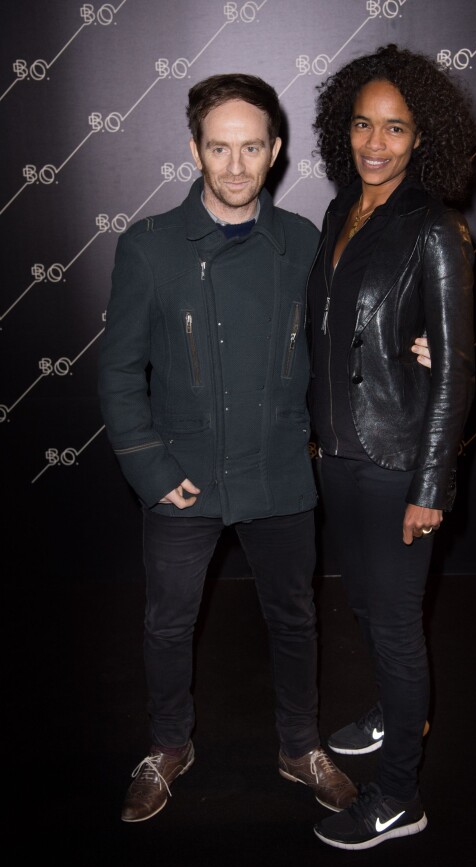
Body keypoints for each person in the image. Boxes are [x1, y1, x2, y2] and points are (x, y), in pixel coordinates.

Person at [97, 72, 359, 823]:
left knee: (296, 617)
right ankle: (169, 745)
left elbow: (337, 345)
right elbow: (119, 371)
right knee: (167, 623)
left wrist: (411, 351)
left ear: (275, 152)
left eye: (252, 148)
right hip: (183, 474)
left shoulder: (305, 242)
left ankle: (299, 743)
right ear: (195, 149)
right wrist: (151, 466)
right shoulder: (148, 247)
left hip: (279, 471)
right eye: (220, 147)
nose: (237, 165)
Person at [306, 44, 476, 850]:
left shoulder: (434, 230)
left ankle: (400, 797)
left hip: (397, 459)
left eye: (397, 128)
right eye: (365, 124)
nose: (377, 142)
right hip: (340, 455)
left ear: (422, 138)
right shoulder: (343, 210)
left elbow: (457, 368)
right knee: (370, 605)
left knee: (399, 625)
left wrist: (432, 482)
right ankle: (391, 710)